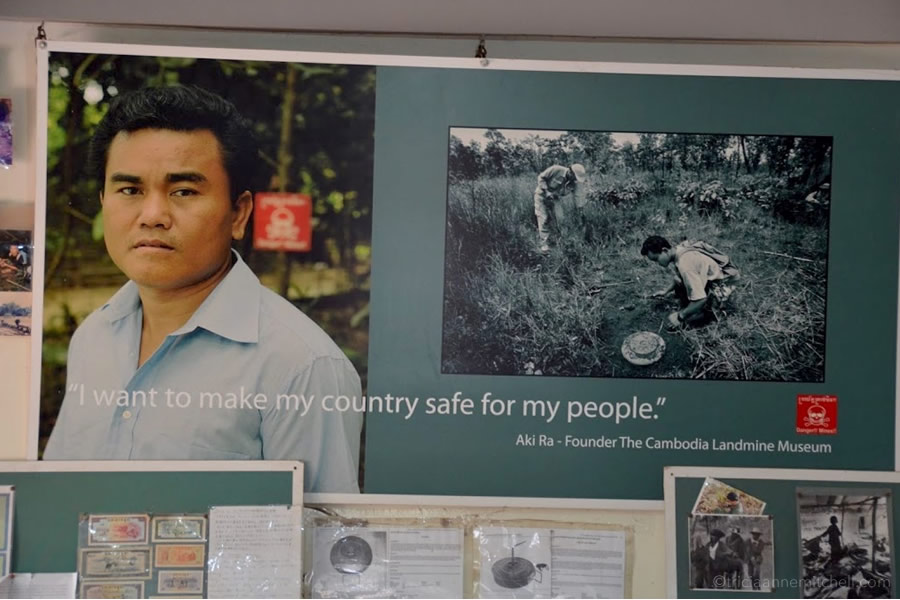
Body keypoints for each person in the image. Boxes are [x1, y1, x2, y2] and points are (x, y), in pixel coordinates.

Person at [43, 85, 363, 493]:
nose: (153, 215)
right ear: (104, 200)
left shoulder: (302, 366)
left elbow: (321, 540)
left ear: (239, 212)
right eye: (130, 190)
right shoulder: (93, 337)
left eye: (184, 191)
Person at [641, 235, 740, 329]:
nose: (657, 263)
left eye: (656, 259)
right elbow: (679, 276)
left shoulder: (685, 265)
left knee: (699, 315)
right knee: (679, 281)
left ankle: (713, 311)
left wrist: (680, 316)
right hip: (717, 273)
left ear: (665, 250)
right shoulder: (679, 249)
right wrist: (666, 291)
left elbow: (701, 299)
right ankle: (695, 305)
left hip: (725, 282)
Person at [533, 163, 586, 253]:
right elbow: (541, 178)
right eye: (574, 177)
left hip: (555, 198)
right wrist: (546, 191)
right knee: (544, 218)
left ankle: (562, 241)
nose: (574, 179)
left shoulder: (574, 182)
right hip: (541, 196)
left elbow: (578, 196)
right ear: (570, 171)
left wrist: (580, 210)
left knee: (561, 218)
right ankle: (544, 244)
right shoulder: (555, 169)